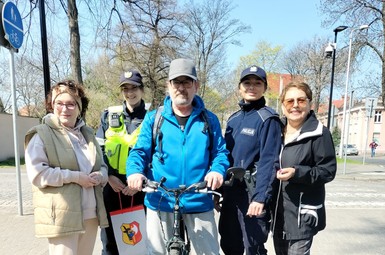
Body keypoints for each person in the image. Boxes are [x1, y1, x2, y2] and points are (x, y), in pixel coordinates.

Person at [125, 58, 229, 255]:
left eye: (187, 82)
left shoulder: (209, 119)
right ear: (169, 86)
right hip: (160, 198)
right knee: (156, 252)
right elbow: (139, 151)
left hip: (198, 198)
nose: (181, 88)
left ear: (196, 85)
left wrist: (217, 170)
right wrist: (135, 172)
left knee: (209, 252)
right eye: (176, 82)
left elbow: (220, 153)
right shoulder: (154, 118)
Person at [24, 80, 109, 255]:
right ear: (52, 106)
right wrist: (76, 177)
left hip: (90, 214)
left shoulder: (88, 134)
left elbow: (102, 165)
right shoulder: (41, 134)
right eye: (59, 103)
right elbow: (38, 174)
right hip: (62, 217)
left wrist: (101, 176)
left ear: (79, 108)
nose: (65, 109)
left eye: (71, 104)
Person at [217, 65, 282, 255]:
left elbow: (269, 162)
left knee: (253, 247)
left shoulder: (268, 119)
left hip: (252, 194)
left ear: (264, 88)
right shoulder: (233, 119)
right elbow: (224, 157)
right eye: (247, 83)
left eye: (257, 83)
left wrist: (261, 197)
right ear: (240, 87)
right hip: (230, 194)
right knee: (229, 245)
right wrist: (218, 192)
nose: (251, 87)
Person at [271, 81, 337, 255]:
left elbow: (328, 171)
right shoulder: (276, 131)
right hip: (278, 212)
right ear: (283, 106)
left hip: (302, 213)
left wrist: (297, 172)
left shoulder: (319, 133)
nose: (295, 106)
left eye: (301, 100)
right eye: (289, 101)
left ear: (309, 104)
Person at [95, 70, 147, 254]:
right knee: (110, 241)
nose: (130, 92)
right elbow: (98, 149)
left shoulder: (152, 119)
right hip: (113, 186)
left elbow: (156, 155)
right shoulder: (109, 116)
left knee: (138, 242)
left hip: (140, 188)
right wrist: (108, 176)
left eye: (134, 88)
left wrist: (141, 180)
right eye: (125, 88)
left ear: (142, 90)